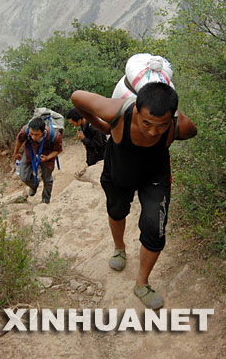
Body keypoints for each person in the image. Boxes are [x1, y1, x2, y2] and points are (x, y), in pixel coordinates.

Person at [71, 82, 197, 309]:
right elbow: (76, 97)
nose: (152, 131)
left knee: (155, 229)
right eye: (147, 122)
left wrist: (172, 120)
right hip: (119, 170)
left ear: (172, 119)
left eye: (161, 125)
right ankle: (119, 249)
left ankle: (142, 283)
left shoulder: (180, 125)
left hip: (154, 176)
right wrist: (100, 125)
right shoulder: (117, 112)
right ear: (137, 110)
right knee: (117, 210)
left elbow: (191, 131)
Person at [13, 117, 63, 204]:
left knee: (47, 178)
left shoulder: (55, 135)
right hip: (30, 150)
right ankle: (34, 184)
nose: (33, 137)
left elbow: (58, 150)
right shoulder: (26, 130)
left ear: (43, 131)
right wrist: (16, 153)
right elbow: (19, 140)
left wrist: (47, 158)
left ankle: (45, 200)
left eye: (36, 134)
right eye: (31, 134)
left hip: (47, 153)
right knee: (23, 176)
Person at [67, 107, 106, 177]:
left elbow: (99, 143)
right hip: (92, 153)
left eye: (73, 123)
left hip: (100, 155)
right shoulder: (83, 125)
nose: (73, 125)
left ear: (79, 120)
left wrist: (84, 138)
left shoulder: (93, 126)